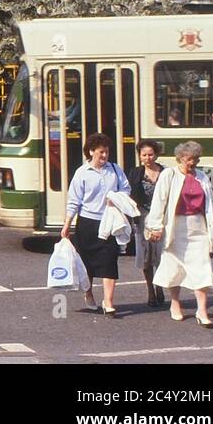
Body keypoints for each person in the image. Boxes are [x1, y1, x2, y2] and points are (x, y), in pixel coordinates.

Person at [146, 141, 213, 327]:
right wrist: (156, 227)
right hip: (176, 228)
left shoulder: (202, 177)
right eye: (191, 158)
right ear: (181, 158)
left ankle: (202, 310)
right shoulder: (169, 174)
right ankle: (175, 304)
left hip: (198, 228)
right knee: (174, 268)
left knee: (202, 268)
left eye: (197, 158)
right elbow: (159, 201)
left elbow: (212, 205)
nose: (194, 162)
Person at [60, 133, 131, 316]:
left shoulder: (115, 169)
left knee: (109, 261)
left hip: (109, 222)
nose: (105, 156)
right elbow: (74, 200)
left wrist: (116, 199)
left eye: (106, 152)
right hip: (87, 223)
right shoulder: (82, 173)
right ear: (91, 152)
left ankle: (108, 301)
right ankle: (89, 294)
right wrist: (67, 224)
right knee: (87, 262)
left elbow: (126, 189)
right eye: (101, 152)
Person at [128, 140, 166, 307]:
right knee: (146, 256)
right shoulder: (135, 173)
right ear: (139, 156)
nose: (147, 158)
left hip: (162, 218)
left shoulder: (166, 172)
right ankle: (150, 289)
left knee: (162, 254)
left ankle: (160, 286)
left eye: (150, 154)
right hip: (142, 217)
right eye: (144, 155)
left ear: (156, 155)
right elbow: (128, 194)